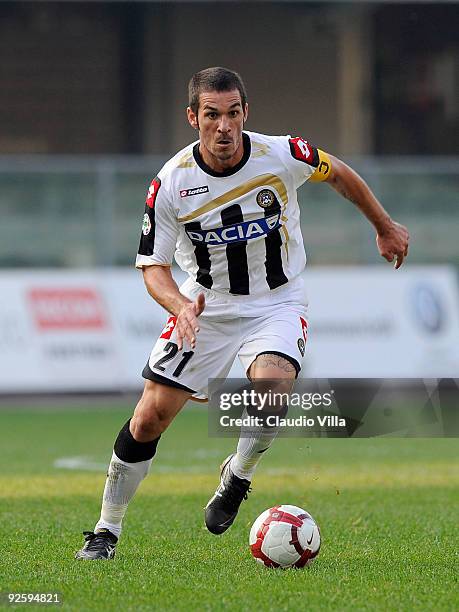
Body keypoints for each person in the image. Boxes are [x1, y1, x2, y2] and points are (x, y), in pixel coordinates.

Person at [75, 67, 409, 560]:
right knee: (148, 420)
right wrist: (180, 306)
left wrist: (382, 225)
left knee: (273, 391)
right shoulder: (171, 184)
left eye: (233, 114)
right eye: (212, 115)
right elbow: (152, 267)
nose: (224, 126)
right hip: (206, 306)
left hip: (277, 301)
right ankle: (106, 531)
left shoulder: (282, 154)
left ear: (245, 113)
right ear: (193, 117)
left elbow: (336, 171)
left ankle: (239, 474)